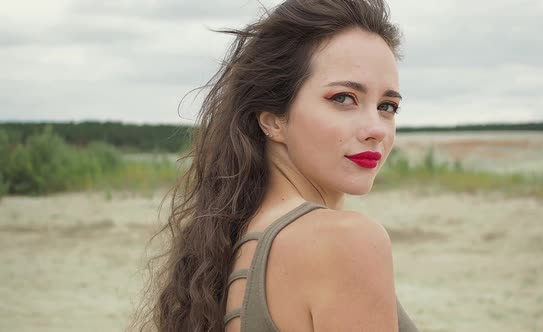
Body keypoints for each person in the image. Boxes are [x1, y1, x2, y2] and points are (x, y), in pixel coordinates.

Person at [131, 0, 419, 331]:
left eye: (388, 106)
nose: (376, 130)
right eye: (343, 98)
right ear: (273, 120)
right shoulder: (345, 241)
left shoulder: (232, 241)